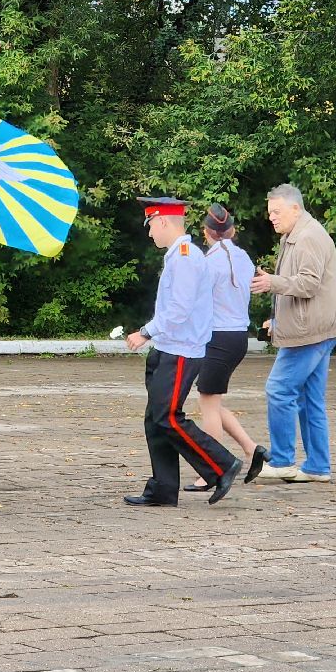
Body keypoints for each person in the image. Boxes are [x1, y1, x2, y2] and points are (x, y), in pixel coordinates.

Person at [124, 197, 242, 506]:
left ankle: (222, 465)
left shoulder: (186, 257)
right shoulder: (178, 255)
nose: (150, 233)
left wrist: (145, 332)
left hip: (181, 351)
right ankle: (163, 490)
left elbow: (179, 309)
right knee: (156, 419)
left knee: (169, 417)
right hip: (169, 348)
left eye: (151, 225)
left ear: (163, 220)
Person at [248, 184, 336, 483]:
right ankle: (317, 467)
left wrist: (272, 283)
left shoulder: (308, 237)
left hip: (310, 332)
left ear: (295, 208)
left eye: (276, 212)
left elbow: (308, 284)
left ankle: (282, 461)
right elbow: (300, 285)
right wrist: (276, 319)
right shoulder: (297, 235)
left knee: (279, 389)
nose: (272, 217)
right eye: (270, 213)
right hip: (318, 328)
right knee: (309, 399)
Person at [184, 204, 266, 492]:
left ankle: (213, 469)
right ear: (232, 231)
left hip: (218, 336)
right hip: (238, 336)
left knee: (207, 403)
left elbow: (197, 301)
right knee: (213, 401)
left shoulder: (208, 262)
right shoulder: (244, 258)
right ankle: (252, 449)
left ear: (206, 233)